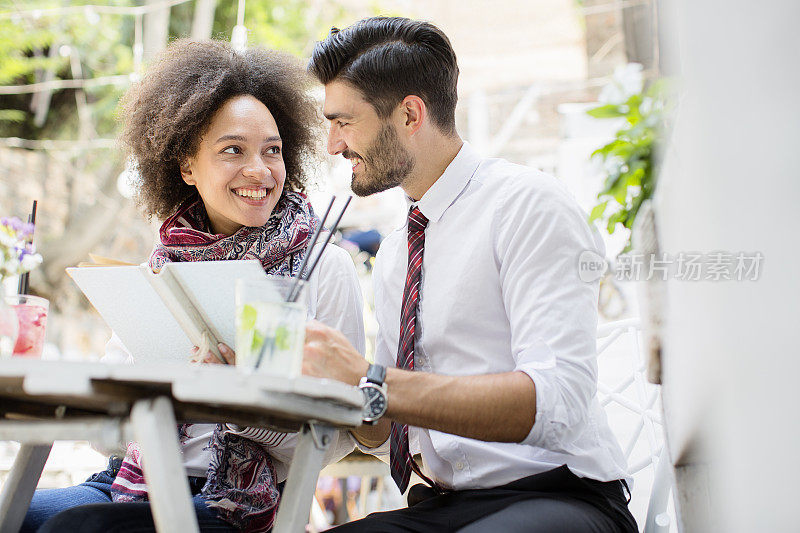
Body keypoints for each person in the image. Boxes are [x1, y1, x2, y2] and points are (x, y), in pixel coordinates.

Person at [301, 17, 638, 532]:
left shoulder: (526, 205)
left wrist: (371, 379)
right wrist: (323, 383)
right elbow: (382, 427)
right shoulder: (397, 253)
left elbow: (558, 401)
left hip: (562, 495)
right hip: (443, 506)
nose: (332, 144)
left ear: (410, 114)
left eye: (343, 121)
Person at [22, 39, 365, 533]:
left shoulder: (319, 267)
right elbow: (107, 432)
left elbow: (336, 437)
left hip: (237, 501)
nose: (259, 170)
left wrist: (240, 404)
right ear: (186, 167)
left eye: (273, 150)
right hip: (129, 481)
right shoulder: (164, 263)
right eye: (233, 151)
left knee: (77, 529)